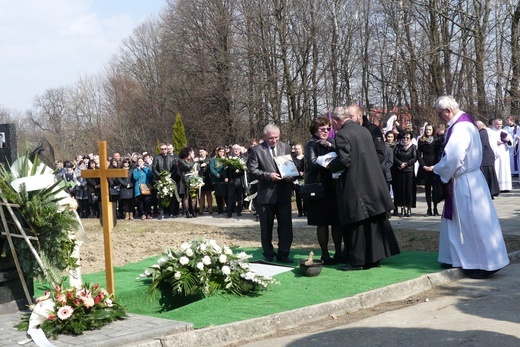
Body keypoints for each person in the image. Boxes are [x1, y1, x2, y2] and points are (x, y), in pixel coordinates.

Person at [433, 95, 509, 279]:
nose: (439, 117)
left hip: (465, 181)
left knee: (471, 223)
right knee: (463, 221)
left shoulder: (460, 128)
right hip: (472, 178)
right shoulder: (467, 124)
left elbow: (453, 157)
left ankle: (483, 263)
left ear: (447, 111)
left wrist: (438, 169)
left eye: (439, 114)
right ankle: (455, 257)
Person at [328, 105, 400, 271]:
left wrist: (329, 165)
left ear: (336, 121)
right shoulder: (364, 131)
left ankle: (357, 261)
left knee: (357, 223)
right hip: (373, 182)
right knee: (372, 223)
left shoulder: (342, 134)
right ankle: (373, 259)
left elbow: (345, 160)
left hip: (356, 184)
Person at [247, 123, 294, 263]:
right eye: (271, 138)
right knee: (266, 227)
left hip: (283, 192)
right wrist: (268, 175)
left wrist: (292, 175)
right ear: (265, 137)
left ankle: (283, 253)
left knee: (286, 226)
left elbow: (290, 165)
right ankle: (268, 253)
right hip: (266, 194)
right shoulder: (256, 150)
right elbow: (252, 170)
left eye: (276, 138)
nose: (274, 140)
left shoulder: (285, 147)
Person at [304, 117, 343, 265]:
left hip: (333, 186)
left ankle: (339, 252)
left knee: (337, 221)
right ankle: (325, 254)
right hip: (319, 187)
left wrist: (331, 147)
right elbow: (311, 164)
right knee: (322, 222)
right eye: (322, 129)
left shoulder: (332, 142)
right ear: (315, 130)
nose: (326, 131)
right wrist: (328, 162)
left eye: (328, 129)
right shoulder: (311, 143)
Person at [393, 130, 418, 217]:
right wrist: (400, 163)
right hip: (400, 171)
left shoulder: (413, 147)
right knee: (401, 190)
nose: (405, 139)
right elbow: (394, 157)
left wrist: (406, 164)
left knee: (409, 191)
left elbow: (414, 158)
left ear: (410, 138)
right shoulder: (398, 146)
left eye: (407, 138)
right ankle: (402, 208)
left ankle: (409, 208)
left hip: (409, 171)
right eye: (404, 137)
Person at [417, 124, 439, 216]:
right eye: (427, 129)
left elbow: (438, 154)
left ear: (433, 130)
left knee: (435, 189)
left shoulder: (437, 140)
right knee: (427, 189)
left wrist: (435, 166)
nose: (428, 131)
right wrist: (423, 166)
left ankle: (435, 208)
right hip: (425, 165)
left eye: (430, 130)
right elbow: (418, 154)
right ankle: (429, 209)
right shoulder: (421, 140)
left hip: (434, 165)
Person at [152, 143, 178, 220]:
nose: (164, 150)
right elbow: (154, 168)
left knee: (171, 196)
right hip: (160, 180)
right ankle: (161, 213)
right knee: (160, 197)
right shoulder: (157, 157)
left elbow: (174, 169)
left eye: (165, 149)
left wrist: (169, 175)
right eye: (162, 149)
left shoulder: (172, 158)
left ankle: (172, 212)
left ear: (167, 149)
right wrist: (160, 175)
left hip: (170, 179)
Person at [475, 121, 500, 198]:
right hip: (487, 158)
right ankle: (490, 192)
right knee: (489, 176)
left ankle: (490, 193)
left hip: (486, 158)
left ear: (479, 126)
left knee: (488, 176)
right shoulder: (484, 132)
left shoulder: (483, 133)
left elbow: (480, 146)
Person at [490, 118, 513, 192]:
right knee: (497, 168)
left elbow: (511, 143)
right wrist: (496, 143)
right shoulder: (491, 132)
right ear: (494, 124)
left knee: (504, 169)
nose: (499, 125)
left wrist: (507, 140)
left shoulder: (504, 131)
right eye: (497, 124)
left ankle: (505, 187)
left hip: (504, 153)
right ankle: (497, 187)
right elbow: (489, 142)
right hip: (496, 153)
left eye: (500, 124)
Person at [224, 144, 246, 218]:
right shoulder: (229, 158)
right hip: (231, 179)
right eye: (234, 149)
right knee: (230, 196)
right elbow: (226, 169)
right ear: (232, 150)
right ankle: (229, 212)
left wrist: (240, 170)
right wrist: (226, 177)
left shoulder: (243, 158)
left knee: (240, 196)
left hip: (240, 179)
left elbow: (246, 169)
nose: (236, 150)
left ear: (240, 150)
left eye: (237, 149)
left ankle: (239, 211)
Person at [178, 147, 198, 218]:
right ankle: (187, 211)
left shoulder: (191, 160)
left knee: (193, 195)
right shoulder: (181, 161)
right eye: (190, 152)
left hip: (193, 179)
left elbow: (197, 167)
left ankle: (193, 210)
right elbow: (188, 167)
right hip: (185, 180)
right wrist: (194, 161)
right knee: (186, 196)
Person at [210, 147, 227, 215]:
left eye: (223, 152)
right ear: (217, 152)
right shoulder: (213, 159)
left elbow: (226, 169)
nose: (221, 153)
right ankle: (220, 209)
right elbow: (211, 168)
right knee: (218, 195)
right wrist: (216, 174)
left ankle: (226, 208)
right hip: (216, 179)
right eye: (220, 151)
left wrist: (224, 175)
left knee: (225, 194)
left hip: (224, 179)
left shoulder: (225, 159)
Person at [197, 148, 213, 215]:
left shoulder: (209, 159)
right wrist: (199, 165)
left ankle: (210, 208)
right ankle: (201, 209)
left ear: (206, 152)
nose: (201, 153)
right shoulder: (197, 160)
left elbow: (211, 167)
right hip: (200, 178)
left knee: (208, 194)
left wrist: (206, 163)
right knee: (201, 194)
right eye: (200, 152)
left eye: (202, 152)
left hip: (208, 178)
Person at [291, 144, 305, 217]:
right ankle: (300, 211)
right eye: (296, 149)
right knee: (298, 195)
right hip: (296, 179)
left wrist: (303, 173)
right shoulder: (293, 158)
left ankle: (305, 210)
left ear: (302, 149)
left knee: (305, 195)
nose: (297, 150)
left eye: (298, 149)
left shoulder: (305, 158)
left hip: (304, 178)